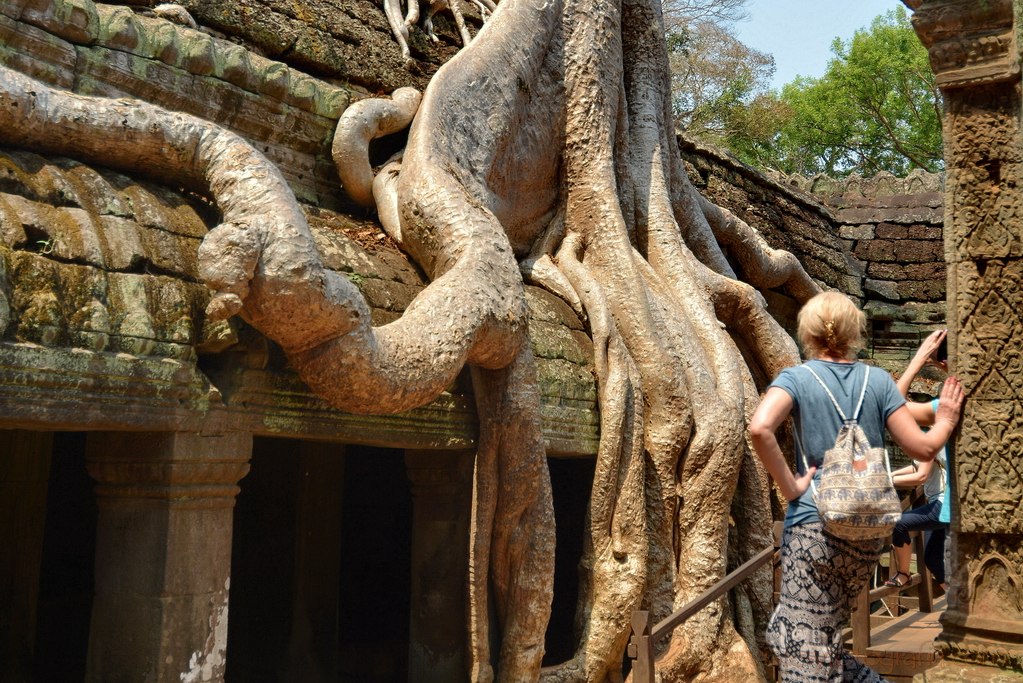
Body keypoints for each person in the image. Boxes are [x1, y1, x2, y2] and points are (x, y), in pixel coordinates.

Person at [749, 292, 963, 683]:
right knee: (802, 640)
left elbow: (760, 427)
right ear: (856, 332)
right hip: (865, 539)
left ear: (806, 332)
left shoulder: (796, 378)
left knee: (803, 646)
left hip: (814, 526)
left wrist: (793, 487)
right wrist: (946, 418)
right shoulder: (878, 381)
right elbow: (924, 446)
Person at [885, 329, 950, 590]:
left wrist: (919, 358)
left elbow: (921, 475)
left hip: (944, 505)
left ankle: (903, 573)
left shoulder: (939, 421)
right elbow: (914, 469)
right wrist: (887, 477)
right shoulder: (942, 419)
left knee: (898, 522)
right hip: (948, 505)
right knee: (934, 559)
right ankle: (952, 604)